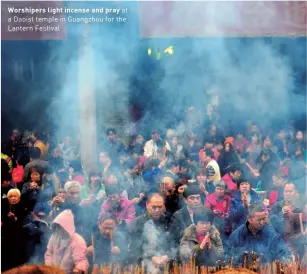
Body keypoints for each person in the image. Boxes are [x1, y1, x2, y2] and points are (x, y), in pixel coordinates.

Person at [129, 193, 174, 271]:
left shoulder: (170, 221)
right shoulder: (138, 223)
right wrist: (151, 257)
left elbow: (175, 242)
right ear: (147, 205)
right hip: (145, 265)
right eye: (154, 207)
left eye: (160, 207)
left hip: (167, 265)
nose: (157, 210)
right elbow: (135, 248)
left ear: (164, 206)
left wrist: (167, 256)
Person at [45, 210, 89, 274]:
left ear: (66, 226)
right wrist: (49, 267)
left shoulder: (78, 240)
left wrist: (79, 268)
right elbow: (49, 253)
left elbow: (81, 260)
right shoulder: (54, 237)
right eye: (57, 226)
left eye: (60, 227)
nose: (57, 229)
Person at [270, 182, 305, 258]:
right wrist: (281, 214)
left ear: (296, 192)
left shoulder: (301, 208)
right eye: (286, 191)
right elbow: (269, 223)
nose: (288, 193)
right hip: (278, 244)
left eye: (290, 191)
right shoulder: (277, 206)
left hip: (297, 246)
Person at [2, 189, 28, 271]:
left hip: (19, 237)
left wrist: (15, 218)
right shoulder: (3, 208)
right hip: (6, 238)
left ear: (19, 198)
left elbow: (24, 220)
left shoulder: (23, 207)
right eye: (10, 196)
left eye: (15, 196)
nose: (13, 198)